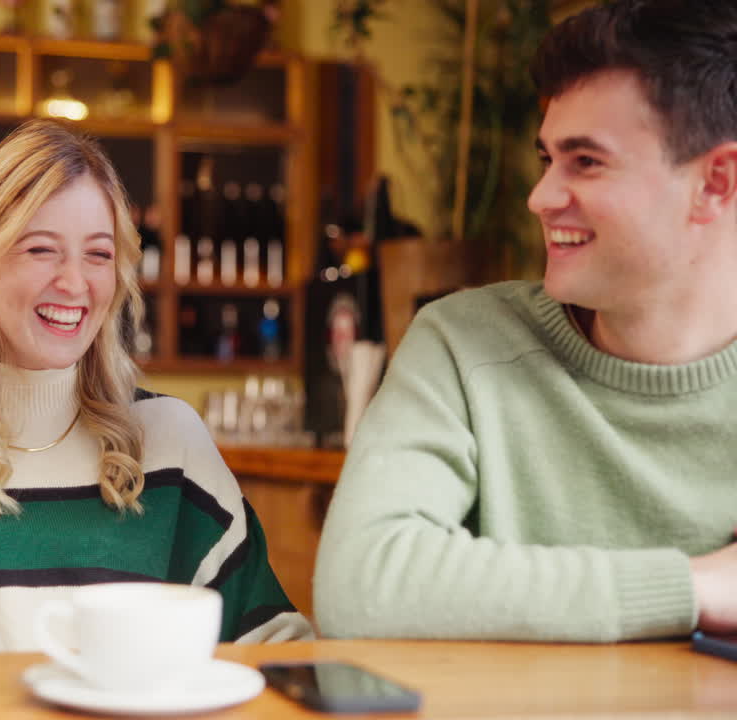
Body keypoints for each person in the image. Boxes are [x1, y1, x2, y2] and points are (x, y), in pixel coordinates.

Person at [0, 119, 313, 654]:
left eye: (98, 254)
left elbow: (278, 649)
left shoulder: (171, 442)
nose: (74, 282)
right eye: (41, 250)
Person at [314, 0, 737, 643]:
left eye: (586, 161)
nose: (540, 198)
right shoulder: (463, 345)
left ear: (716, 182)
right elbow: (360, 585)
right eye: (547, 160)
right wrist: (696, 587)